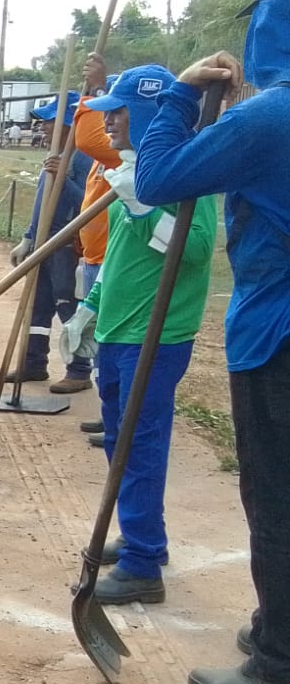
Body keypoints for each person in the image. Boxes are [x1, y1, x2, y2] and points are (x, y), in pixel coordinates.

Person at [133, 0, 290, 684]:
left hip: (282, 334)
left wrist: (178, 98)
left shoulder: (273, 115)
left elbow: (160, 179)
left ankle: (281, 665)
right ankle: (278, 628)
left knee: (279, 496)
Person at [62, 64, 215, 605]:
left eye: (119, 114)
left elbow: (194, 252)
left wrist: (144, 208)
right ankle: (138, 531)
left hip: (156, 334)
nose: (111, 126)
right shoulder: (133, 171)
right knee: (117, 439)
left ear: (147, 113)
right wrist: (89, 310)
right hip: (118, 329)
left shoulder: (183, 177)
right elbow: (119, 262)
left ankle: (143, 563)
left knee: (139, 445)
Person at [7, 92, 94, 393]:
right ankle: (33, 363)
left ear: (69, 123)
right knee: (38, 307)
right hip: (43, 242)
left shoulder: (84, 156)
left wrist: (63, 180)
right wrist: (28, 237)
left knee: (69, 307)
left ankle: (79, 370)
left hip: (67, 244)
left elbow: (90, 204)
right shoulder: (54, 155)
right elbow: (41, 204)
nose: (42, 127)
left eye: (49, 122)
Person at [72, 54, 123, 442]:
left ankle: (118, 423)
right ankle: (111, 417)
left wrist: (96, 88)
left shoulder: (121, 152)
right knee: (101, 343)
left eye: (114, 113)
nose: (106, 121)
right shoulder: (103, 159)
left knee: (111, 345)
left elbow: (87, 138)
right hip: (94, 256)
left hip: (112, 261)